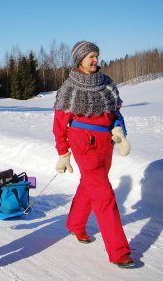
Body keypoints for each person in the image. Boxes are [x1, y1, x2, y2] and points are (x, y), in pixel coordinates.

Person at [52, 40, 134, 268]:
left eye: (97, 55)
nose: (96, 60)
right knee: (104, 193)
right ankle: (119, 251)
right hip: (82, 143)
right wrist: (63, 153)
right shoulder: (69, 88)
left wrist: (119, 130)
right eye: (91, 57)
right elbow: (59, 125)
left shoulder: (106, 83)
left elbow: (116, 112)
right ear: (80, 59)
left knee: (90, 185)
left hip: (105, 143)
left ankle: (76, 224)